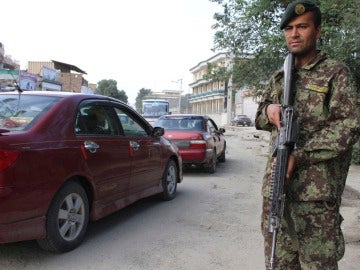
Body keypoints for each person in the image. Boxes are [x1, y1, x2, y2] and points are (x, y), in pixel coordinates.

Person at [255, 0, 360, 269]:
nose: (294, 34)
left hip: (315, 200)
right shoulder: (279, 77)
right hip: (277, 192)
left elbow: (348, 126)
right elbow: (259, 116)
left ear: (318, 31)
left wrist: (300, 156)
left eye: (302, 26)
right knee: (277, 263)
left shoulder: (336, 74)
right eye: (289, 28)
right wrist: (269, 111)